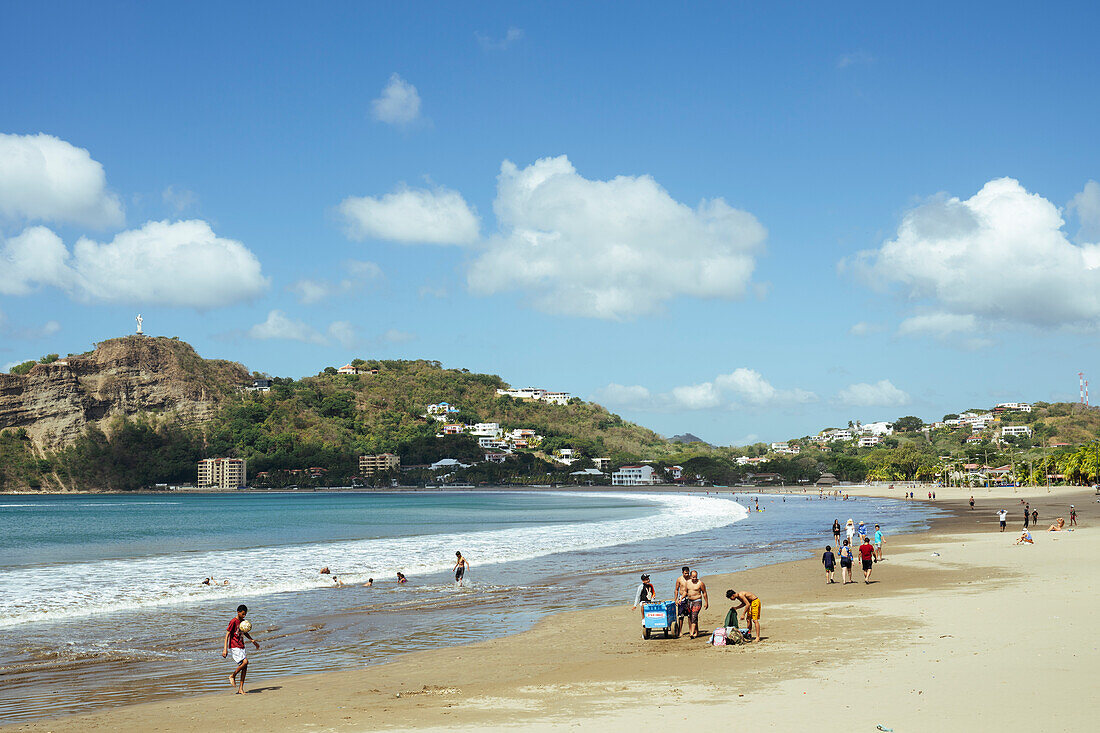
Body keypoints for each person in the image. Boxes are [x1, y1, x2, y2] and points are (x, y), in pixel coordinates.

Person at [223, 604, 260, 695]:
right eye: (243, 614)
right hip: (234, 646)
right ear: (238, 612)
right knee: (245, 662)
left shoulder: (243, 622)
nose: (244, 616)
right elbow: (227, 635)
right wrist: (225, 649)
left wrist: (252, 640)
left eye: (245, 614)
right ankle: (233, 675)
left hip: (241, 645)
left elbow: (245, 633)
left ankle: (240, 689)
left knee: (245, 667)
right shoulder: (233, 621)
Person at [682, 570, 709, 639]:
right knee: (691, 617)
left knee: (694, 615)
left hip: (697, 601)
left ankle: (691, 633)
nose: (694, 579)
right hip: (689, 601)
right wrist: (681, 598)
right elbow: (685, 591)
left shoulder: (700, 583)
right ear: (690, 576)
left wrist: (706, 602)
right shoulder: (687, 583)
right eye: (693, 577)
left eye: (695, 577)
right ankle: (696, 632)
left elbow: (704, 593)